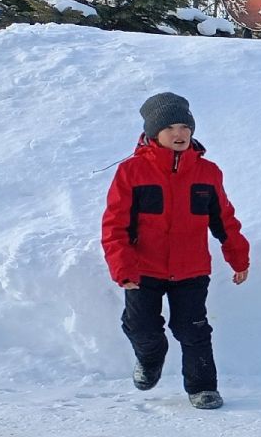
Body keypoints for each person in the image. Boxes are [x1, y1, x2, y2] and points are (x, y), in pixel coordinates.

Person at [100, 92, 251, 410]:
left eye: (185, 126)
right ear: (154, 132)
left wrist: (238, 256)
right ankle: (150, 359)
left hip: (191, 268)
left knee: (193, 329)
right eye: (170, 127)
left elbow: (224, 218)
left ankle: (203, 387)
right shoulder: (132, 172)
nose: (179, 133)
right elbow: (115, 226)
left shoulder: (207, 172)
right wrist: (123, 268)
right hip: (143, 269)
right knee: (142, 327)